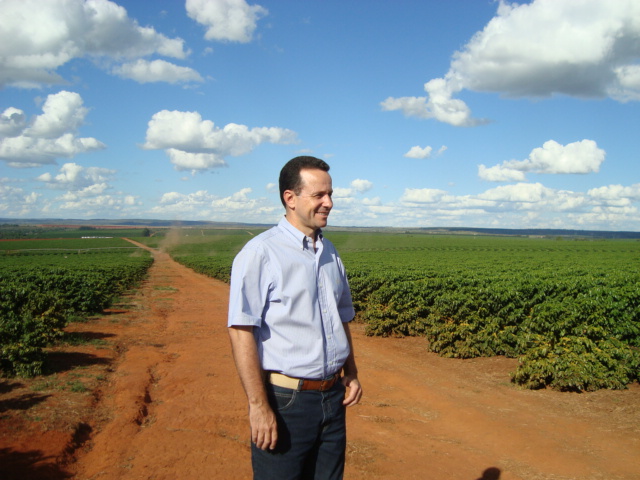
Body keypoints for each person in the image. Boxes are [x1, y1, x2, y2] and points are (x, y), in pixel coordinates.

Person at [228, 156, 363, 480]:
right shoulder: (260, 253)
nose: (328, 203)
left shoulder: (330, 252)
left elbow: (341, 317)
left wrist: (352, 372)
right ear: (290, 198)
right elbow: (241, 330)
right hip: (287, 401)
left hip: (333, 397)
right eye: (319, 195)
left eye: (330, 194)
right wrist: (259, 406)